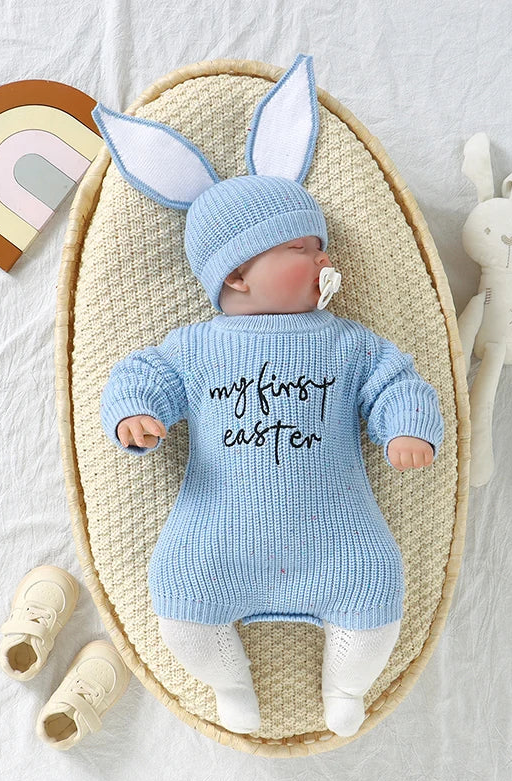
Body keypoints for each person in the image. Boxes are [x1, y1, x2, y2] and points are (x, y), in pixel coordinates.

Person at [94, 55, 444, 738]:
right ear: (239, 277)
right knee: (181, 606)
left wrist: (406, 425)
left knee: (378, 588)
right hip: (217, 533)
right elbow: (144, 373)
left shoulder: (346, 341)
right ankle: (229, 681)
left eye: (323, 248)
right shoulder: (198, 345)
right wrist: (136, 414)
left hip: (337, 537)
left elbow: (396, 379)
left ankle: (346, 686)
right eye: (303, 249)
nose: (325, 262)